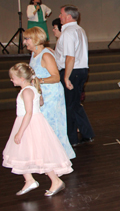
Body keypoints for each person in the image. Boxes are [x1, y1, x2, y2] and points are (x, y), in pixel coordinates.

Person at [3, 63, 72, 196]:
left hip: (29, 124)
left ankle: (55, 181)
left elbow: (29, 112)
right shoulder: (32, 89)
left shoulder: (27, 91)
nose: (11, 80)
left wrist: (20, 132)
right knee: (22, 153)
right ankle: (29, 180)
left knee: (39, 154)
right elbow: (40, 103)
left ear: (22, 79)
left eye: (13, 78)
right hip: (31, 122)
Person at [23, 27, 75, 159]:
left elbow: (56, 77)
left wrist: (38, 80)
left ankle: (57, 155)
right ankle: (48, 155)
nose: (24, 42)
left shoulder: (46, 55)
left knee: (51, 124)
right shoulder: (35, 54)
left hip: (51, 94)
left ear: (35, 39)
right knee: (43, 124)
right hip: (42, 93)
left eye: (26, 39)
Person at [55, 5, 95, 147]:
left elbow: (70, 57)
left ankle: (71, 140)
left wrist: (66, 77)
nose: (59, 17)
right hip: (81, 70)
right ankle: (87, 133)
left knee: (69, 107)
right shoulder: (79, 30)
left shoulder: (68, 32)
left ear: (68, 17)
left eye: (61, 14)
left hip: (72, 71)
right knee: (75, 105)